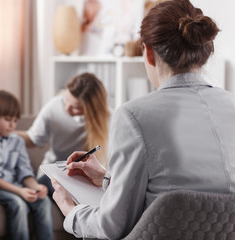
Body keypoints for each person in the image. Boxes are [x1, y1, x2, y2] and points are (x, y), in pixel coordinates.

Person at [51, 0, 233, 239]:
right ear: (204, 50)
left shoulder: (134, 115)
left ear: (147, 51)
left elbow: (112, 227)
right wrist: (107, 178)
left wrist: (69, 209)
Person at [0, 90, 53, 240]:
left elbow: (24, 172)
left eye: (15, 120)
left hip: (15, 186)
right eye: (7, 119)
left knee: (43, 201)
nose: (12, 125)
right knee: (18, 203)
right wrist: (20, 191)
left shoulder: (18, 141)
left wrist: (35, 187)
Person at [17, 72, 111, 196]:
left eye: (75, 107)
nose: (67, 108)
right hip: (54, 174)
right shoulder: (54, 106)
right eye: (66, 100)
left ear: (91, 109)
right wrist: (0, 132)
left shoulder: (110, 119)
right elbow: (33, 139)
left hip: (86, 178)